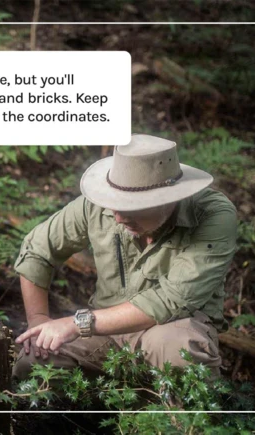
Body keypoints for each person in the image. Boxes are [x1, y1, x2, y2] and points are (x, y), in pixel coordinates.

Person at [13, 134, 237, 381]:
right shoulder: (98, 205)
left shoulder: (213, 215)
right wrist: (39, 322)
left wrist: (77, 323)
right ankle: (109, 412)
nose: (118, 217)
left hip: (170, 330)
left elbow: (173, 300)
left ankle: (176, 416)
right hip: (105, 332)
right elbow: (37, 249)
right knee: (34, 363)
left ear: (169, 199)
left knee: (180, 351)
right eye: (114, 203)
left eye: (132, 206)